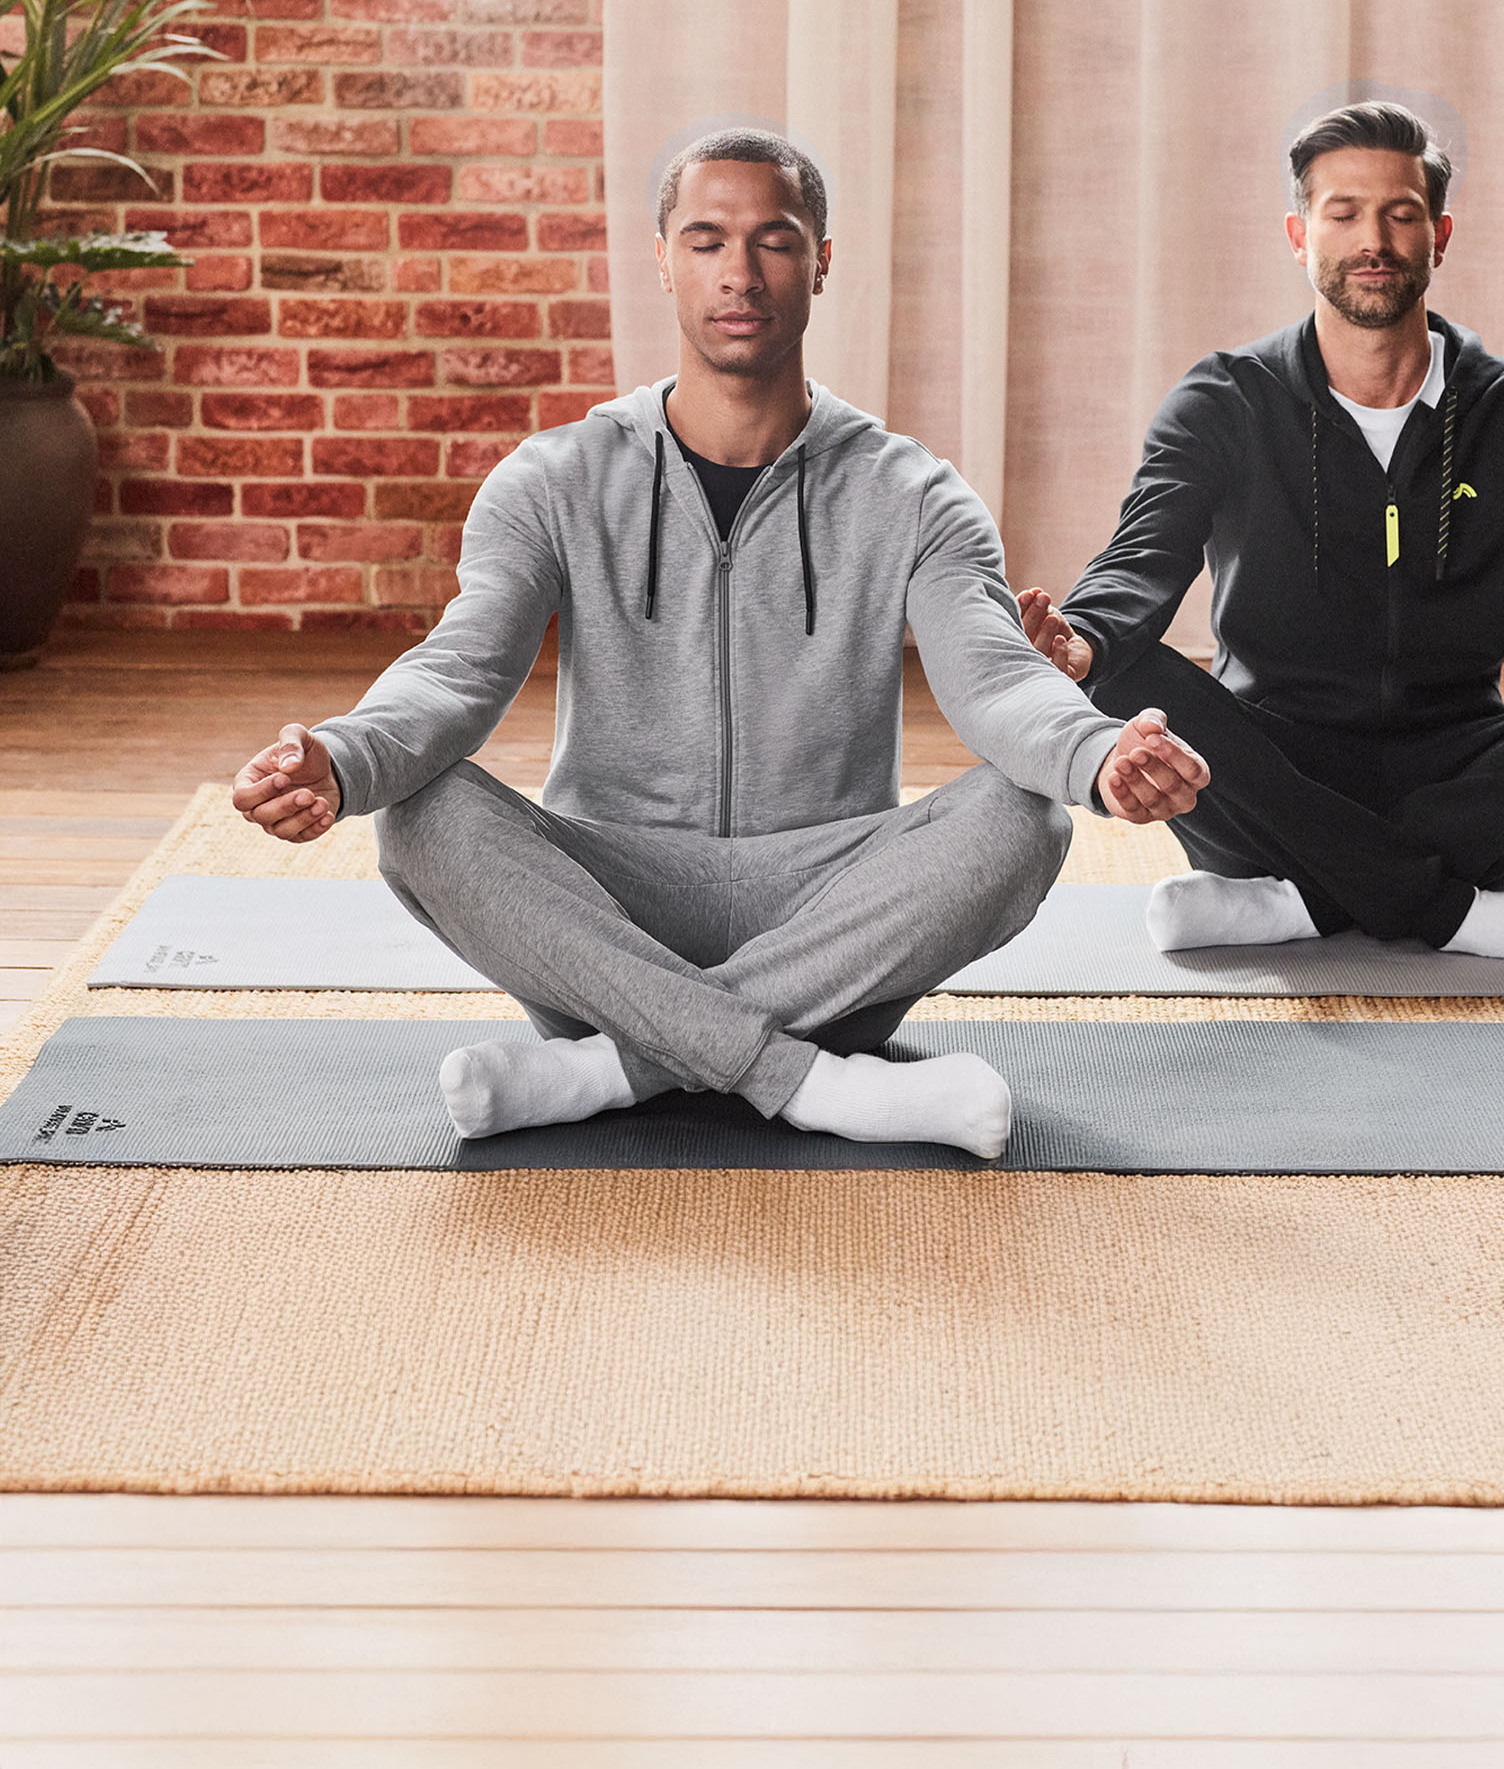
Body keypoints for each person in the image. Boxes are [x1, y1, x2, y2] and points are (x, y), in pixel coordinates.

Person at [231, 128, 1207, 1158]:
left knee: (1025, 818)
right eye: (705, 242)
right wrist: (342, 757)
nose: (739, 273)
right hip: (610, 908)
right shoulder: (554, 479)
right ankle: (814, 1084)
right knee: (423, 814)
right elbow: (458, 669)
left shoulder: (914, 491)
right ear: (662, 259)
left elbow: (997, 679)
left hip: (829, 915)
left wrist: (1100, 752)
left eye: (774, 241)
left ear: (820, 261)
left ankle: (613, 1070)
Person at [1018, 100, 1504, 965]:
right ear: (1299, 237)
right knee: (1123, 674)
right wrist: (1084, 638)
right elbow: (1143, 555)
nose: (1374, 239)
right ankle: (1464, 916)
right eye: (1344, 214)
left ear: (1439, 236)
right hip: (1270, 769)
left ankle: (1299, 903)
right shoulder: (1225, 401)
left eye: (1400, 214)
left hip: (1461, 769)